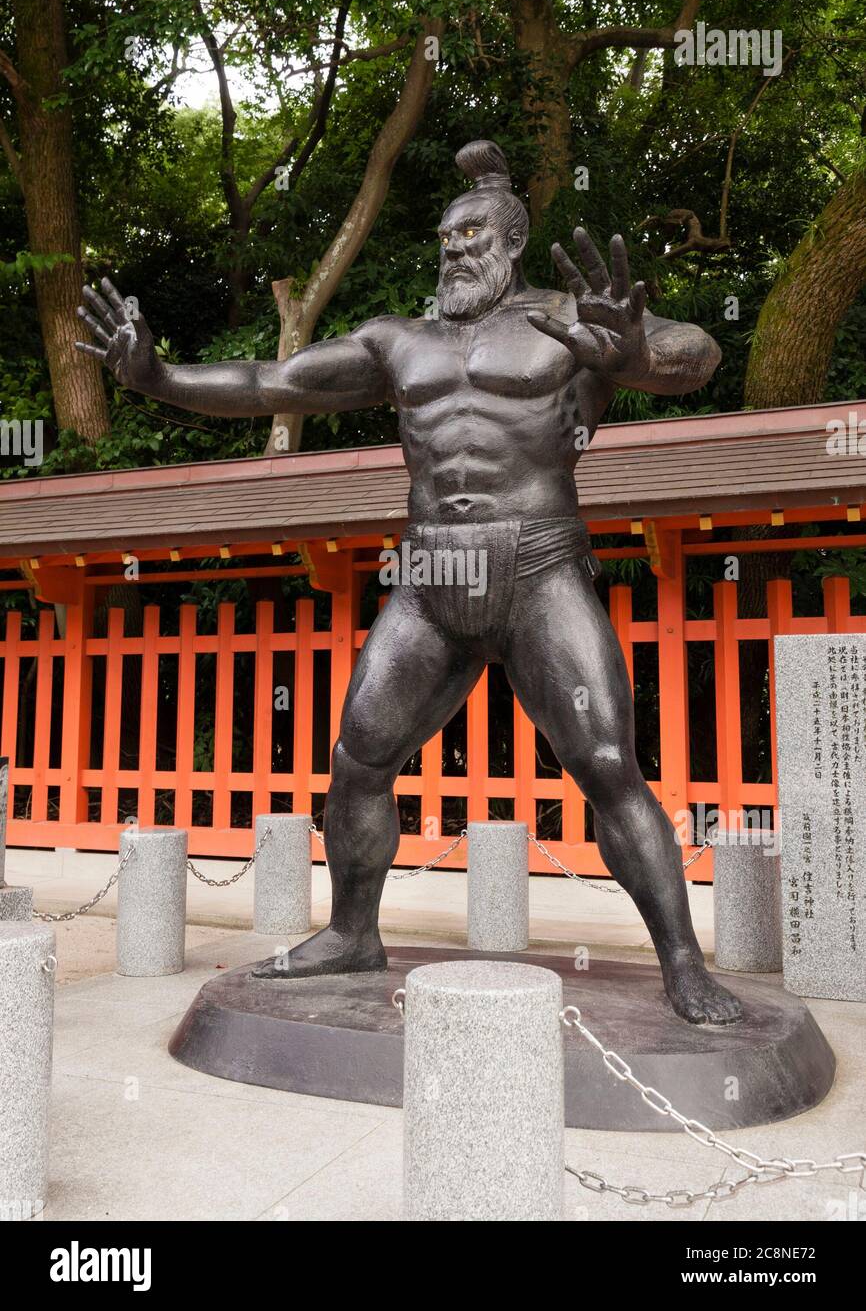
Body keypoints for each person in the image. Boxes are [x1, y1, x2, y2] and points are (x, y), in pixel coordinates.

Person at [76, 139, 741, 1023]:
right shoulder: (400, 341)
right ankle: (352, 931)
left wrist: (626, 359)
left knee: (609, 762)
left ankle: (684, 962)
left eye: (472, 234)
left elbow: (697, 353)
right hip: (431, 574)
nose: (454, 248)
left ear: (511, 243)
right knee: (358, 760)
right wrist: (156, 376)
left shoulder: (569, 320)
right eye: (445, 235)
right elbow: (273, 381)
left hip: (537, 561)